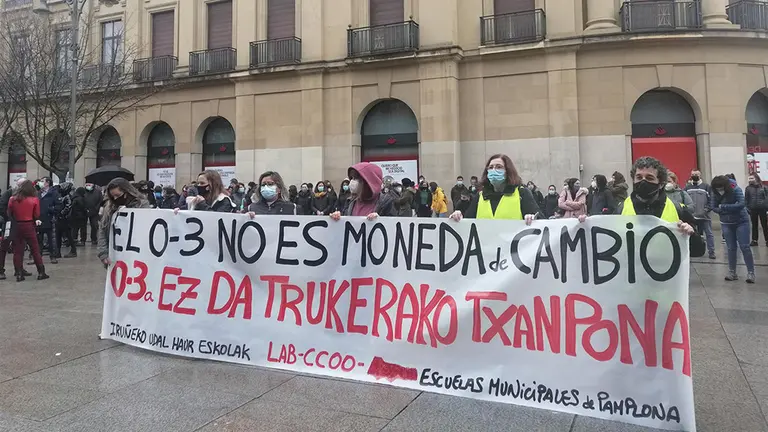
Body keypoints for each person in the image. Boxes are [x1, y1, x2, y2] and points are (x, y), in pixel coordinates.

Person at [617, 156, 703, 256]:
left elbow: (699, 251)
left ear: (661, 184)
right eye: (639, 177)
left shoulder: (677, 209)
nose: (643, 181)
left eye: (649, 178)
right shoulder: (621, 209)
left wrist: (691, 235)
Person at [449, 154, 540, 223]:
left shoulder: (522, 193)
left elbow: (540, 220)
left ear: (508, 171)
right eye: (490, 167)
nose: (494, 170)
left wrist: (532, 218)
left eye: (499, 167)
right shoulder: (480, 196)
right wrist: (458, 217)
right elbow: (468, 222)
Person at [711, 175, 756, 283]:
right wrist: (730, 207)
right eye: (717, 188)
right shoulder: (714, 192)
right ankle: (732, 272)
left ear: (725, 186)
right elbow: (713, 207)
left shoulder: (735, 189)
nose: (720, 190)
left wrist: (723, 207)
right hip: (726, 223)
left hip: (741, 221)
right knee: (731, 248)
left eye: (721, 188)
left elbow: (741, 204)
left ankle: (751, 273)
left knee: (745, 247)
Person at [98, 179, 150, 267]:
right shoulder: (110, 208)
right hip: (116, 255)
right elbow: (103, 230)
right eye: (112, 196)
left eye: (117, 195)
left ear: (126, 192)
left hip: (137, 255)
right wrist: (103, 253)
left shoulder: (142, 205)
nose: (115, 199)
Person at [7, 180, 48, 281]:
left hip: (17, 225)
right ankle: (41, 272)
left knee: (18, 251)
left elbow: (9, 213)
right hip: (29, 225)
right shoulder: (34, 199)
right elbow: (36, 214)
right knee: (35, 249)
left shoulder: (13, 199)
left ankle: (19, 274)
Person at [330, 162, 395, 219]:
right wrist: (338, 217)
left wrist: (381, 220)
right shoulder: (350, 201)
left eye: (356, 178)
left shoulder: (387, 202)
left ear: (368, 182)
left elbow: (393, 225)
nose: (352, 181)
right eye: (352, 178)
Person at [0, 178, 31, 280]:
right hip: (9, 224)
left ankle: (19, 269)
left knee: (19, 247)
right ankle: (1, 270)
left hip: (19, 224)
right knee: (4, 247)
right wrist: (9, 217)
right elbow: (2, 207)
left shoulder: (24, 195)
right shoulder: (9, 193)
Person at [684, 169, 716, 259]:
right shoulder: (687, 188)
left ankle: (711, 252)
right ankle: (690, 252)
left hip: (704, 216)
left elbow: (711, 200)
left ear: (700, 175)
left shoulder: (706, 187)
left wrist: (706, 210)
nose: (694, 176)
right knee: (689, 235)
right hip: (692, 216)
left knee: (709, 234)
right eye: (693, 174)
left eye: (696, 174)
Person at [37, 177, 59, 264]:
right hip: (39, 219)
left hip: (50, 219)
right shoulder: (38, 193)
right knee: (39, 239)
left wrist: (50, 209)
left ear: (48, 183)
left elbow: (59, 206)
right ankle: (38, 257)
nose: (40, 183)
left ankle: (53, 256)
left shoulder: (54, 193)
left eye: (42, 181)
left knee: (51, 239)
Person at [745, 173, 768, 246]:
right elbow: (746, 199)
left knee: (765, 225)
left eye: (752, 178)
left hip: (763, 208)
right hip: (753, 209)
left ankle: (767, 240)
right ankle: (754, 240)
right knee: (754, 225)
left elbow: (767, 198)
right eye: (749, 178)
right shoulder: (748, 188)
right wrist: (747, 208)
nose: (750, 180)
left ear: (756, 178)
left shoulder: (764, 187)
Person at [54, 182, 77, 258]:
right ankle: (58, 252)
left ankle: (73, 250)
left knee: (68, 235)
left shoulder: (67, 197)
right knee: (58, 235)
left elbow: (68, 207)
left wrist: (61, 213)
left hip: (65, 219)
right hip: (59, 219)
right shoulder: (61, 196)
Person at [69, 187, 88, 253]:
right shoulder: (80, 198)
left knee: (74, 229)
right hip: (81, 216)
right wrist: (86, 211)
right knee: (83, 229)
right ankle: (82, 241)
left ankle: (74, 240)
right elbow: (83, 207)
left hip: (74, 216)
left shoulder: (73, 197)